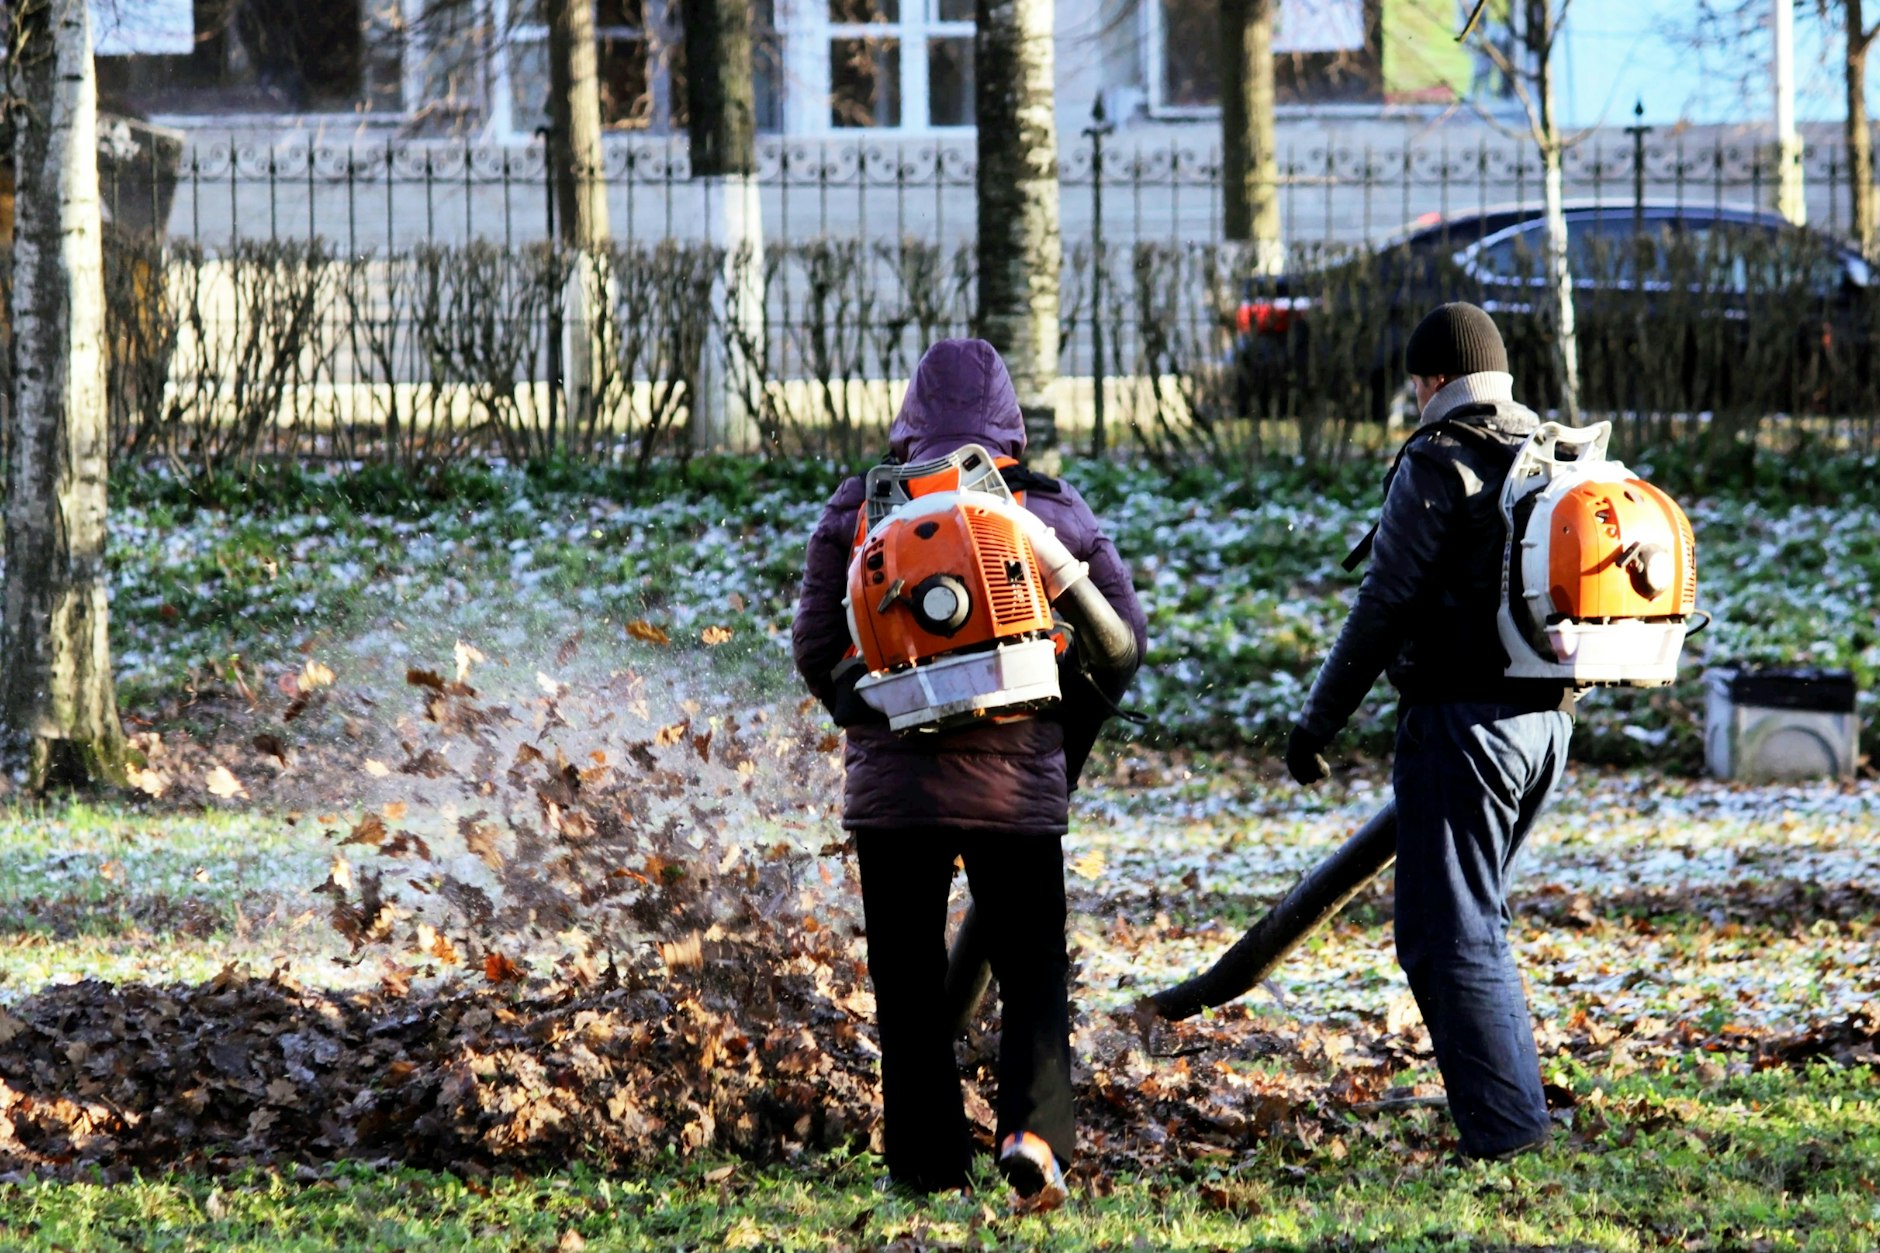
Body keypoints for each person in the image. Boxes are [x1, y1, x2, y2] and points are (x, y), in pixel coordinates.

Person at [792, 338, 1146, 1203]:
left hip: (894, 795)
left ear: (910, 412)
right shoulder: (1049, 510)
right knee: (1032, 972)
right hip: (1016, 790)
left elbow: (815, 646)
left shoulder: (858, 507)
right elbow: (1122, 636)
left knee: (907, 982)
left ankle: (925, 1165)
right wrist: (1049, 721)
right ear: (1007, 416)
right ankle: (1033, 1137)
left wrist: (875, 711)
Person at [1284, 302, 1575, 1161]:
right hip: (1544, 724)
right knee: (1475, 920)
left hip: (1463, 725)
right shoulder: (1541, 451)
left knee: (1446, 933)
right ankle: (1514, 1114)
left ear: (1435, 380)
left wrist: (1317, 721)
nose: (1413, 398)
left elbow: (1385, 603)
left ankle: (1508, 1135)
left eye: (1417, 383)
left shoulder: (1442, 458)